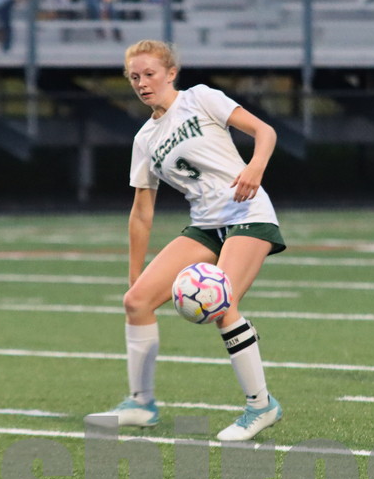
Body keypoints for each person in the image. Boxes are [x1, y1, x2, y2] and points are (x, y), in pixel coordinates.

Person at [86, 39, 286, 441]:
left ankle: (261, 405)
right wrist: (134, 275)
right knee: (136, 302)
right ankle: (141, 404)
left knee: (222, 305)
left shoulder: (200, 98)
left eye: (150, 74)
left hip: (247, 213)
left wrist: (255, 167)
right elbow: (141, 212)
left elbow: (265, 132)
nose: (142, 83)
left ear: (171, 73)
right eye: (134, 77)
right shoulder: (145, 139)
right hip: (206, 225)